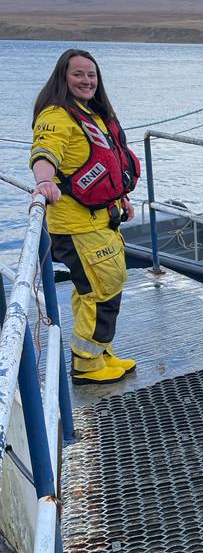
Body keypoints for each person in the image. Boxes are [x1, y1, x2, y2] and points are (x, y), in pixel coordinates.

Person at [30, 48, 140, 385]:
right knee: (101, 289)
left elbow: (104, 161)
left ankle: (99, 351)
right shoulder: (57, 116)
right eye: (78, 74)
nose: (86, 80)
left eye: (91, 75)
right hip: (76, 227)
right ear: (63, 77)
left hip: (100, 220)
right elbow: (45, 151)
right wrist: (44, 181)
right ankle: (87, 366)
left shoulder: (91, 114)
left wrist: (120, 197)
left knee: (97, 286)